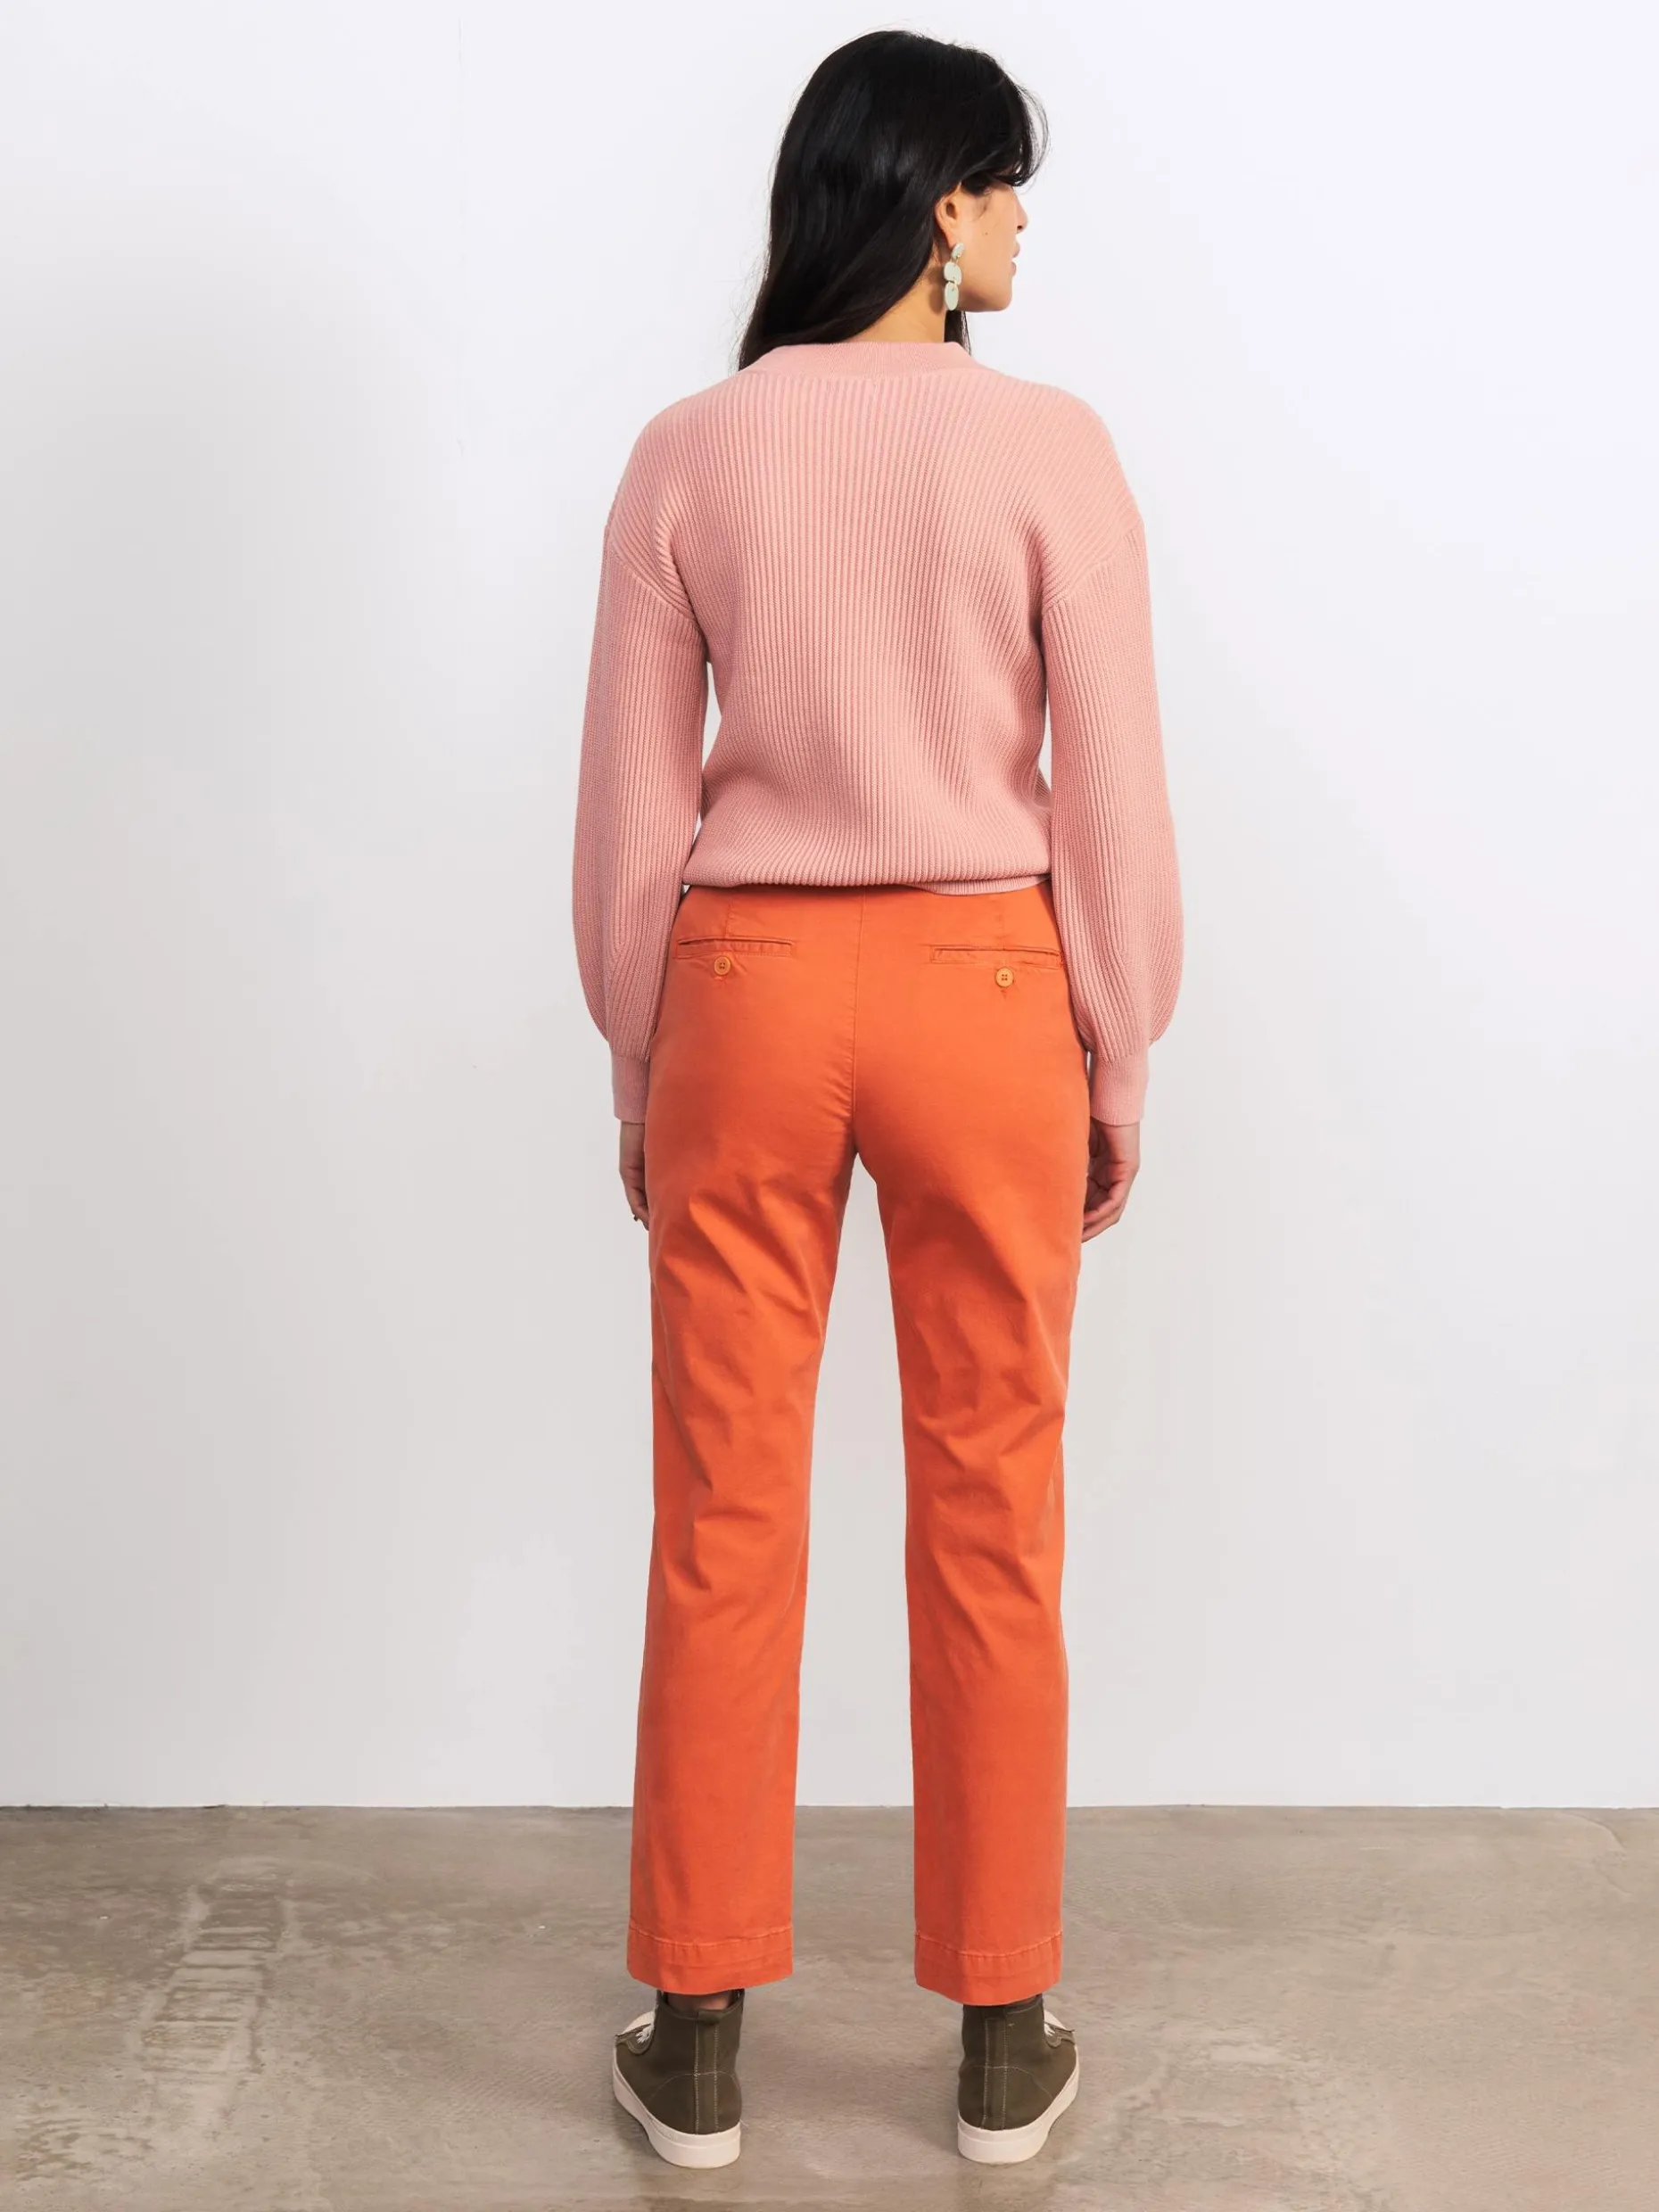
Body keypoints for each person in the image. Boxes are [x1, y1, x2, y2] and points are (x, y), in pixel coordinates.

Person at [571, 28, 1183, 2171]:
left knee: (721, 1510)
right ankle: (1003, 2038)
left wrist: (642, 1051)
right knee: (994, 1505)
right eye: (1004, 187)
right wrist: (1120, 1038)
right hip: (983, 988)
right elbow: (1110, 791)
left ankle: (696, 2042)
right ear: (935, 210)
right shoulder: (1050, 449)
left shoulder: (688, 451)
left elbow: (633, 809)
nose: (1020, 225)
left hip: (742, 991)